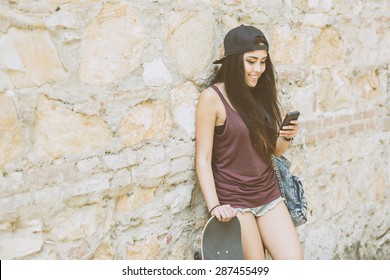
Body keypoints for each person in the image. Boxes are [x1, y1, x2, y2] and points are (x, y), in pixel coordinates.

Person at [195, 25, 303, 260]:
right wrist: (215, 206)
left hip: (269, 195)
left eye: (263, 61)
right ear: (233, 61)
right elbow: (203, 159)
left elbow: (273, 150)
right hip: (235, 202)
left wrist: (286, 135)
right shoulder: (212, 99)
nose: (259, 69)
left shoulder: (262, 93)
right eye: (251, 61)